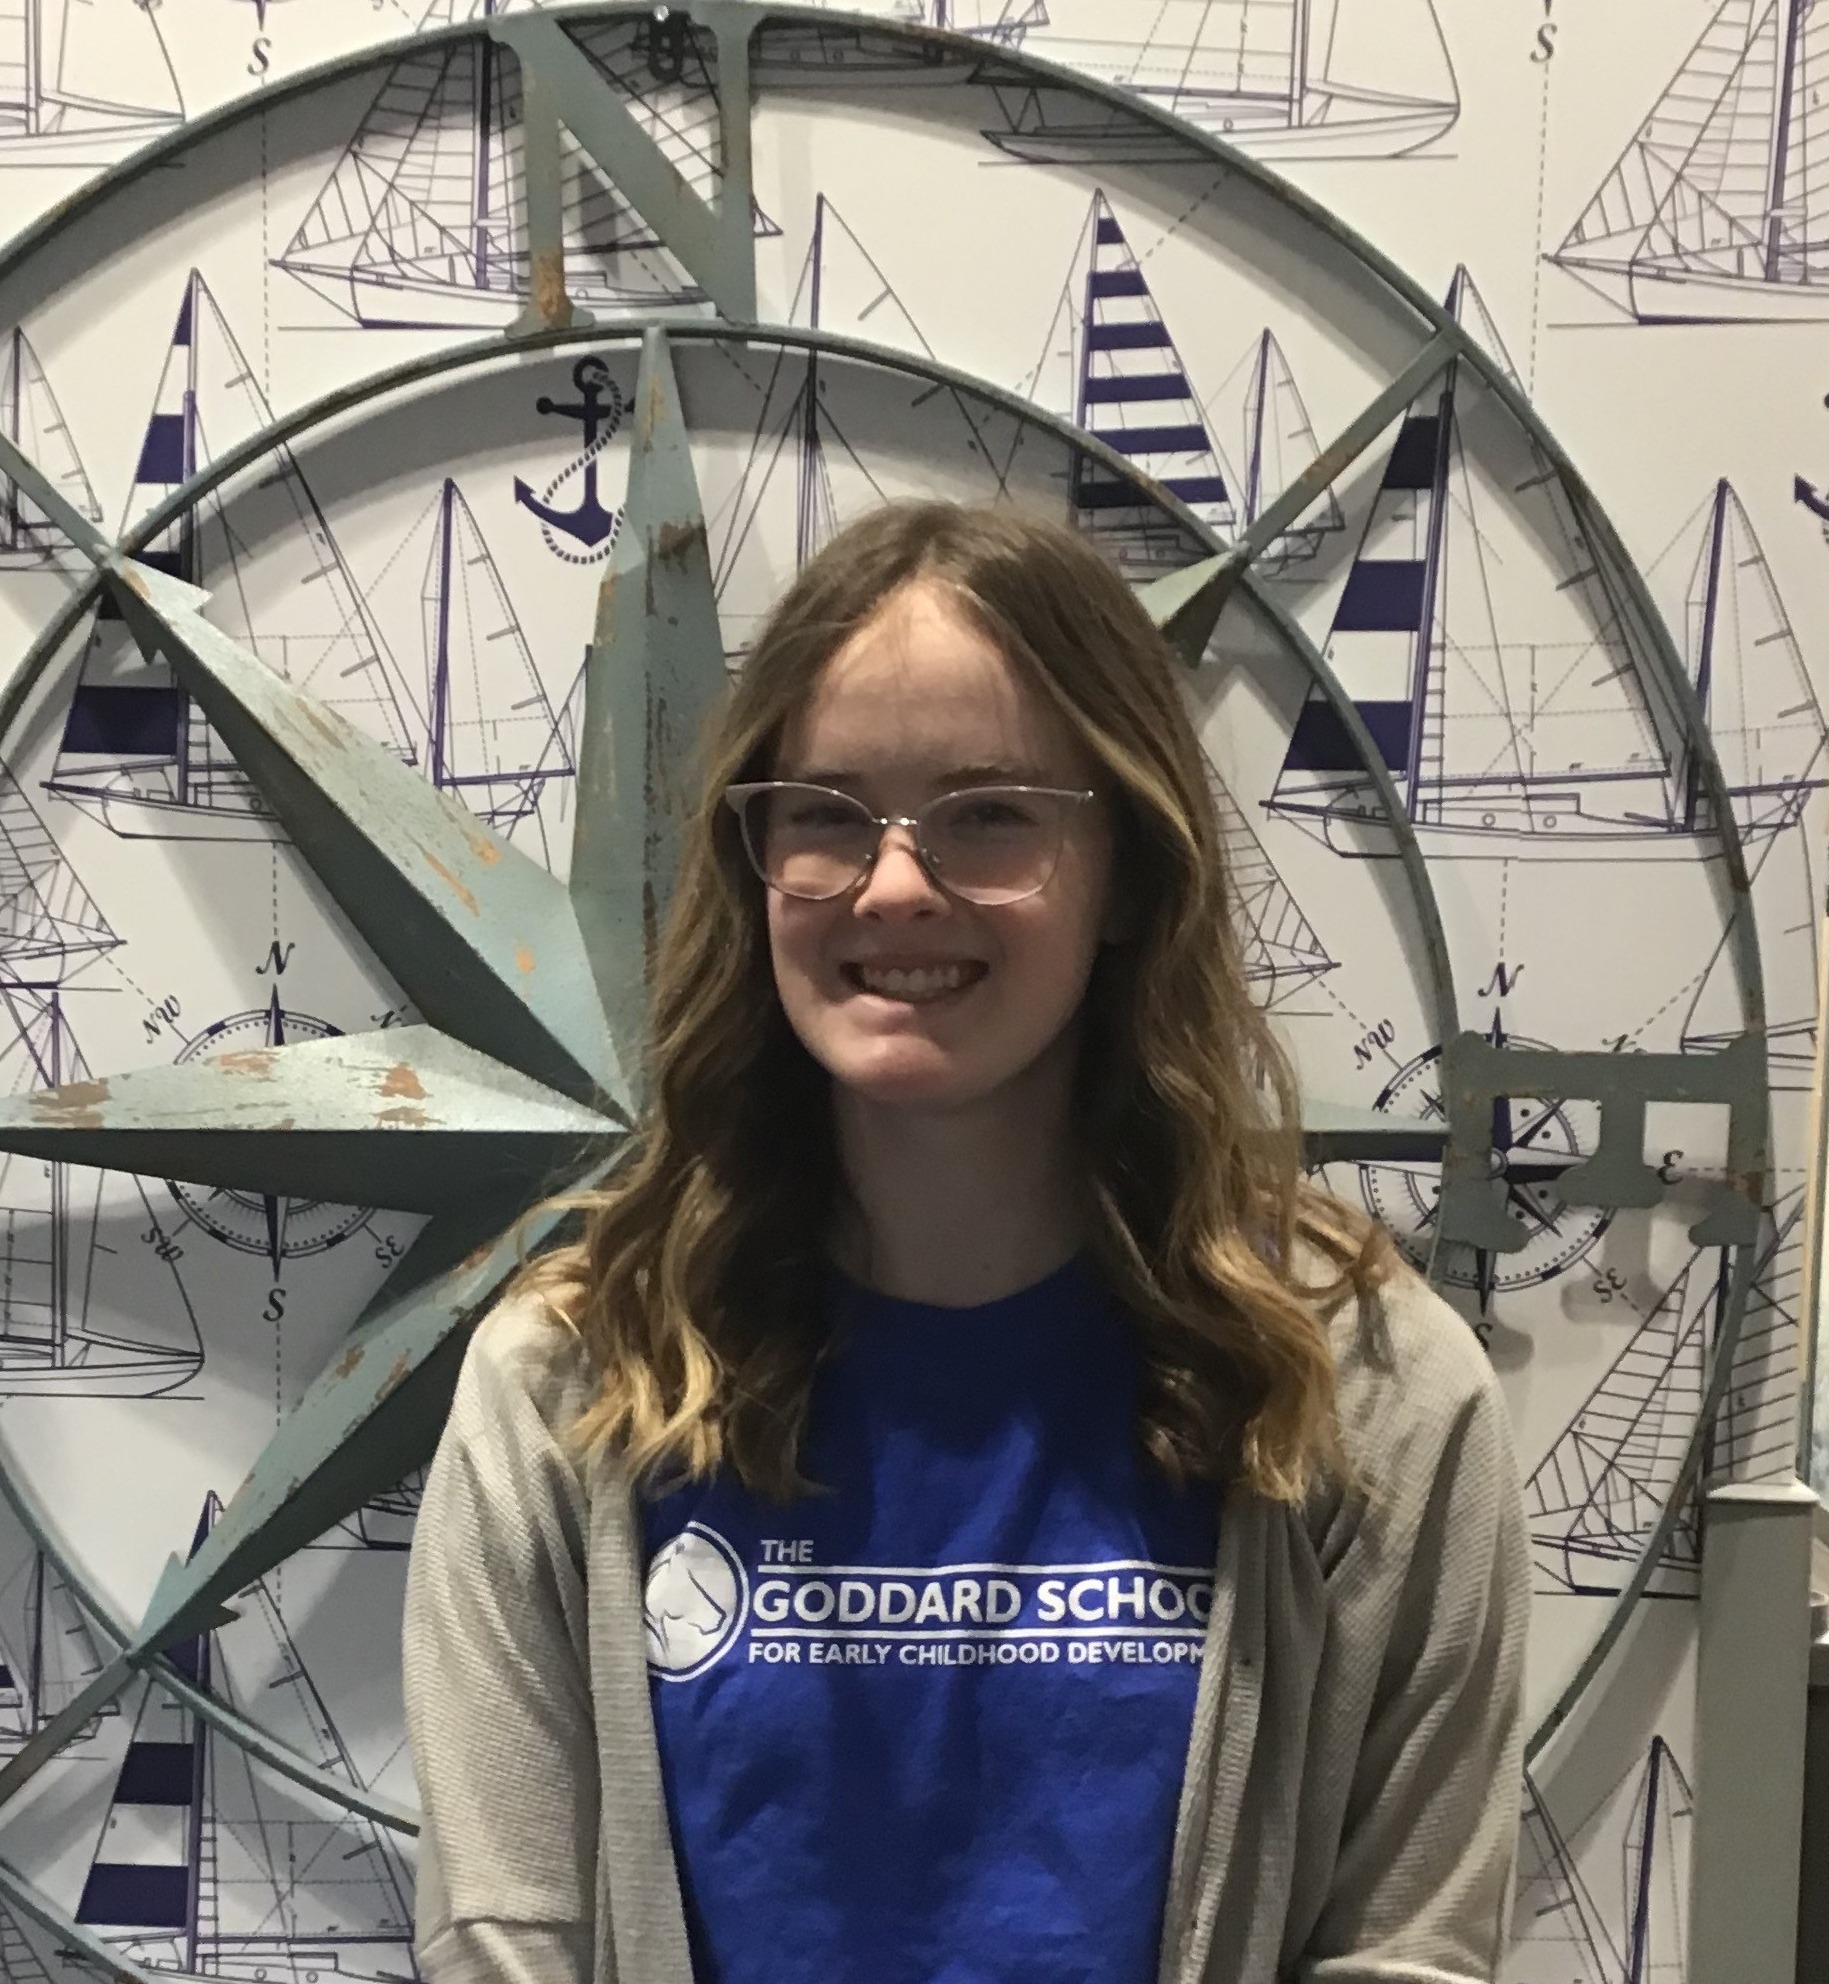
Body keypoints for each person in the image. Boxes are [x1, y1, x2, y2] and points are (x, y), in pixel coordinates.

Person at [403, 500, 1528, 1984]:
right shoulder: (569, 1382)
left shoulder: (1372, 1395)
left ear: (1129, 870)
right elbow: (505, 1944)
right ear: (756, 867)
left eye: (989, 813)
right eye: (824, 814)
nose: (894, 885)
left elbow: (1407, 1951)